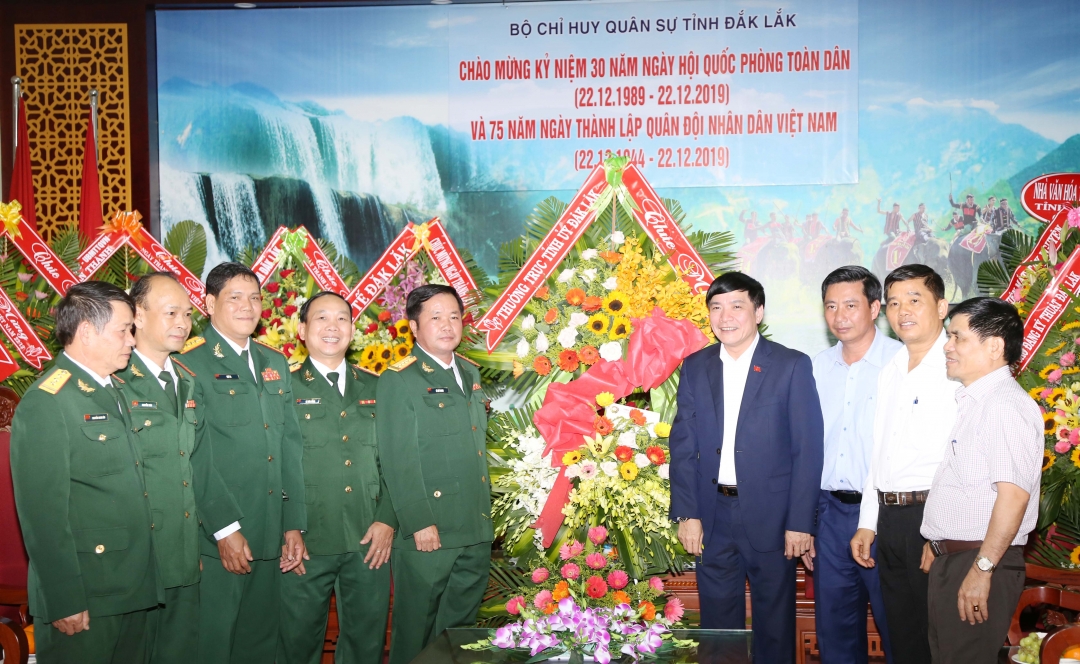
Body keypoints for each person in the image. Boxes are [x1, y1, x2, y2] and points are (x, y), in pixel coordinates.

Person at [669, 272, 824, 664]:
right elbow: (683, 446)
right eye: (716, 307)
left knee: (775, 625)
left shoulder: (790, 365)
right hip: (713, 516)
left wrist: (800, 522)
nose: (726, 317)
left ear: (758, 312)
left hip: (773, 518)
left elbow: (807, 450)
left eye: (737, 306)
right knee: (718, 627)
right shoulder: (696, 366)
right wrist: (687, 513)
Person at [10, 282, 159, 662]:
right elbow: (42, 514)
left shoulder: (116, 390)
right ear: (88, 332)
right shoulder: (48, 402)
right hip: (88, 590)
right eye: (123, 330)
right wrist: (64, 597)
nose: (132, 340)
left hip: (133, 582)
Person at [182, 262, 307, 664]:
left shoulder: (274, 362)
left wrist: (292, 522)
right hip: (218, 536)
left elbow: (289, 446)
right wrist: (224, 529)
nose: (247, 306)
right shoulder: (189, 363)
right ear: (209, 304)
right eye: (234, 297)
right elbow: (193, 455)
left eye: (254, 298)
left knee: (260, 645)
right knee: (214, 645)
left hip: (269, 530)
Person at [118, 272, 240, 664]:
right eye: (171, 312)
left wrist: (226, 528)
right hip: (133, 556)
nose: (183, 323)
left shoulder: (186, 381)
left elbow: (198, 462)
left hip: (183, 551)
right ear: (138, 315)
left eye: (187, 314)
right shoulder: (115, 381)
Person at [278, 291, 396, 664]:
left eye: (342, 318)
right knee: (297, 644)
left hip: (369, 538)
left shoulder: (378, 386)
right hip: (305, 539)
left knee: (366, 644)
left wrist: (387, 519)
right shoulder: (282, 388)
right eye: (322, 318)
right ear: (301, 330)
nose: (333, 327)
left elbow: (396, 461)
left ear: (353, 330)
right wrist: (287, 525)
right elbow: (273, 463)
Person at [920, 297, 1040, 663]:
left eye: (958, 337)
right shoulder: (978, 402)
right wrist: (939, 542)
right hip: (959, 560)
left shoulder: (1003, 406)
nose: (947, 346)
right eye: (949, 336)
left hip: (979, 562)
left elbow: (1013, 497)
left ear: (994, 347)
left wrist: (982, 569)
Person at [376, 284, 492, 664]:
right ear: (413, 326)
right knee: (416, 635)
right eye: (436, 317)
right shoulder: (400, 378)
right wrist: (419, 521)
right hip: (430, 531)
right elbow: (397, 458)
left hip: (474, 528)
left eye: (454, 316)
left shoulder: (470, 372)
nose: (447, 325)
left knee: (458, 637)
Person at [850, 264, 959, 664]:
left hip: (933, 517)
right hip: (891, 519)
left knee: (940, 637)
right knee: (902, 634)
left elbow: (961, 458)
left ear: (942, 307)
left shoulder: (957, 368)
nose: (903, 311)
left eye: (915, 300)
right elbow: (879, 451)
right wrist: (868, 521)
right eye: (894, 303)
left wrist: (940, 534)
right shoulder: (891, 368)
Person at [808, 266, 900, 664]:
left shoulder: (902, 363)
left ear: (875, 308)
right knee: (835, 631)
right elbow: (804, 449)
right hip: (830, 513)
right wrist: (807, 522)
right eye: (831, 306)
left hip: (887, 515)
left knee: (898, 626)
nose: (839, 316)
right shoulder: (814, 367)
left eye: (850, 305)